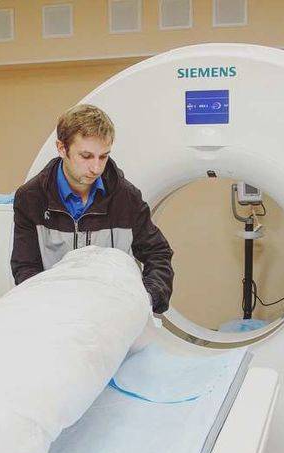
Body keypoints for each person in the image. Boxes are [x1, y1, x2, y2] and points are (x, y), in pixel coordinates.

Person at [11, 104, 174, 314]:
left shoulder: (126, 198)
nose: (96, 168)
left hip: (111, 309)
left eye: (103, 156)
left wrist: (147, 297)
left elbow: (158, 253)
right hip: (53, 307)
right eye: (86, 156)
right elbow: (25, 266)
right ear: (62, 148)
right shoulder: (31, 198)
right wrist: (49, 305)